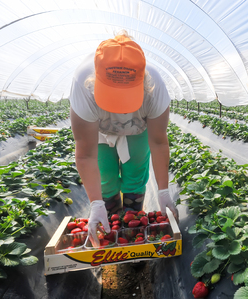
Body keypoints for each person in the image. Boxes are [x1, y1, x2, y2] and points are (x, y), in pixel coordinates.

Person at [69, 30, 178, 246]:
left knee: (135, 177)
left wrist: (164, 191)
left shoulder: (155, 89)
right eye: (112, 96)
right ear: (95, 81)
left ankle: (132, 228)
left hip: (137, 130)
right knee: (106, 179)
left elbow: (157, 142)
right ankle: (110, 223)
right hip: (98, 133)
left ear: (144, 83)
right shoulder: (82, 85)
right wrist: (95, 203)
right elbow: (85, 154)